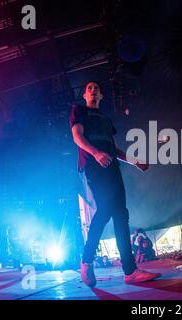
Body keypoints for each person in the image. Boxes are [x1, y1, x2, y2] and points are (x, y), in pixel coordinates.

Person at [70, 81, 161, 287]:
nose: (93, 90)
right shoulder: (79, 110)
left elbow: (113, 148)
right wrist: (95, 152)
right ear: (85, 95)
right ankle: (87, 260)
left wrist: (134, 161)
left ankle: (130, 271)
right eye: (89, 88)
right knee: (104, 210)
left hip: (112, 167)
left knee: (121, 214)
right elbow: (77, 136)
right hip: (93, 165)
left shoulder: (105, 119)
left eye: (97, 89)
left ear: (101, 96)